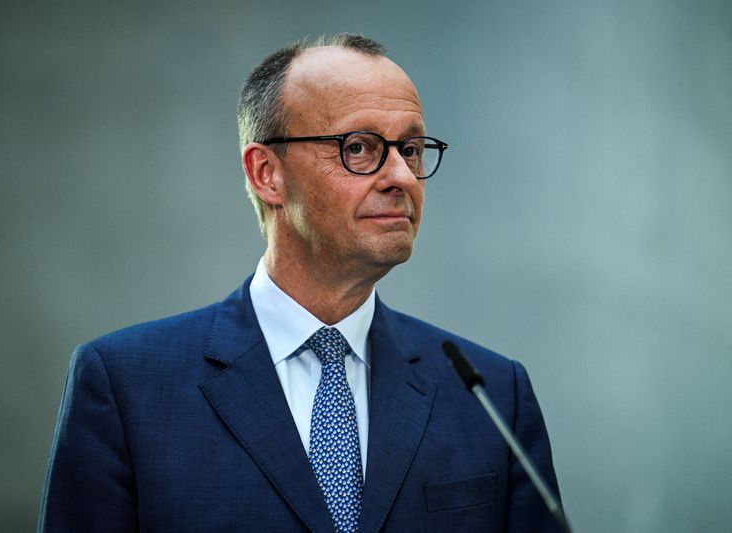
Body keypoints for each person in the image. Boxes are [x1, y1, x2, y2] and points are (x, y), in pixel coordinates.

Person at [39, 34, 563, 532]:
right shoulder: (126, 386)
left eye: (411, 149)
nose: (401, 176)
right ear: (267, 173)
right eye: (359, 148)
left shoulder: (491, 396)